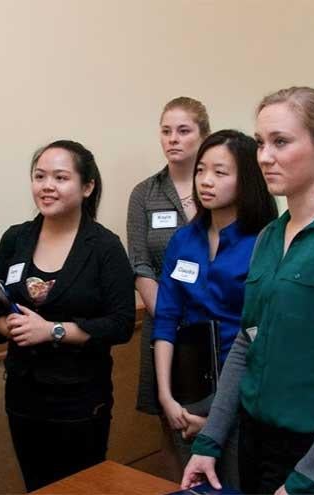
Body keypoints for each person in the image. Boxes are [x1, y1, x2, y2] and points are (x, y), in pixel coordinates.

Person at [181, 87, 314, 494]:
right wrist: (210, 439)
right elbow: (246, 342)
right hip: (256, 440)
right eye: (261, 143)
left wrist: (310, 475)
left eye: (280, 142)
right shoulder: (268, 236)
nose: (264, 156)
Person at [0, 140, 135, 491]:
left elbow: (121, 323)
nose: (47, 186)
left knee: (82, 487)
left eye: (60, 177)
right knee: (37, 486)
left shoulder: (104, 246)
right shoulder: (16, 239)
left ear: (87, 186)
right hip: (23, 394)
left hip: (80, 399)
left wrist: (52, 330)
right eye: (40, 176)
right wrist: (14, 326)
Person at [152, 129, 278, 487]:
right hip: (190, 388)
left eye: (220, 172)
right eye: (201, 170)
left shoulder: (265, 241)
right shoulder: (184, 239)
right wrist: (166, 395)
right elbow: (166, 318)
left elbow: (263, 333)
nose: (206, 181)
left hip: (246, 389)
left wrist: (220, 420)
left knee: (236, 484)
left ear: (246, 180)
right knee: (194, 485)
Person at [127, 97, 209, 479]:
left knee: (214, 419)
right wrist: (169, 317)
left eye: (183, 130)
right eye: (166, 131)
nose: (172, 139)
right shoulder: (145, 193)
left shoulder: (220, 186)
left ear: (203, 135)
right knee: (171, 423)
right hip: (164, 324)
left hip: (216, 323)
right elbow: (140, 263)